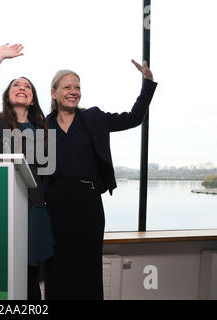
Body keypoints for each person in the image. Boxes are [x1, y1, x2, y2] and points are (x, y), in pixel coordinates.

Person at [45, 60, 157, 299]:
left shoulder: (93, 118)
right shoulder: (43, 126)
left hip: (88, 204)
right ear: (54, 93)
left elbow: (133, 118)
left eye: (77, 87)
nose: (73, 91)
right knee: (57, 269)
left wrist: (147, 83)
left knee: (88, 268)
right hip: (55, 206)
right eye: (67, 87)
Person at [0, 44, 54, 300]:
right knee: (2, 273)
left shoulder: (44, 131)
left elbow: (47, 176)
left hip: (34, 210)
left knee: (30, 279)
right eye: (16, 85)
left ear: (33, 98)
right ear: (7, 96)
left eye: (27, 86)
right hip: (2, 208)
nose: (22, 88)